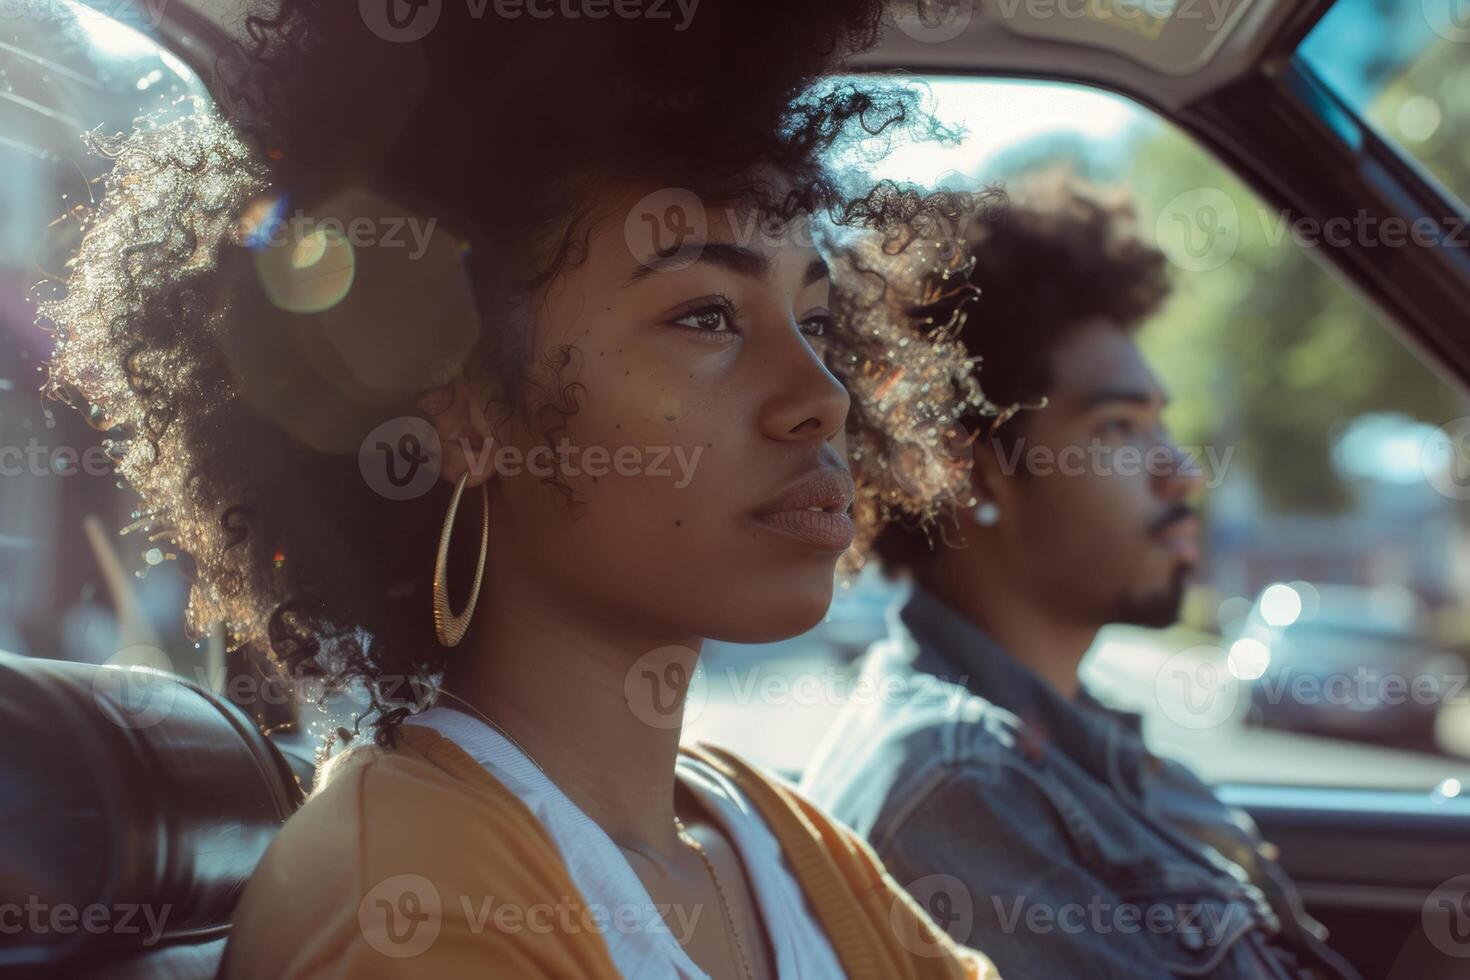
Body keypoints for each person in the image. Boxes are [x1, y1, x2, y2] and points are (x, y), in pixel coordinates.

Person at [39, 2, 1000, 977]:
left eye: (818, 322)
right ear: (467, 413)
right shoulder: (406, 891)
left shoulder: (782, 837)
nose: (823, 398)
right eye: (707, 315)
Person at [800, 176, 1360, 980]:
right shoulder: (960, 785)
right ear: (978, 473)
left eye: (1159, 423)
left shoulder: (1074, 747)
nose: (1180, 471)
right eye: (1119, 427)